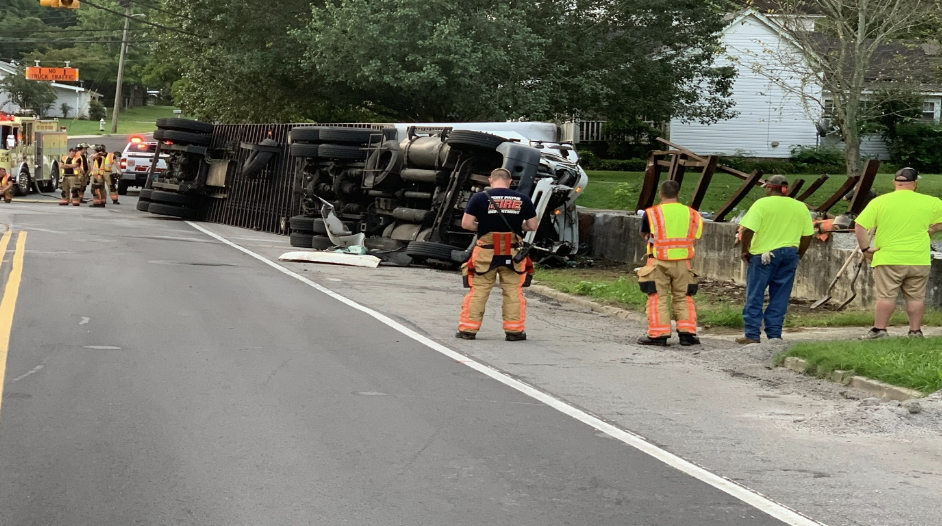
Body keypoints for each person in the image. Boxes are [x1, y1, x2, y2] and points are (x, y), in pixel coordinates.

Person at [854, 167, 942, 339]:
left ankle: (880, 330)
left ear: (895, 182)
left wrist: (865, 249)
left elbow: (860, 226)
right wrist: (933, 229)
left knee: (886, 296)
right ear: (915, 184)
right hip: (918, 258)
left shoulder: (880, 202)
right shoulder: (931, 202)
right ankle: (915, 331)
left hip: (888, 258)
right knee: (916, 297)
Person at [457, 168, 537, 341]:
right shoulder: (523, 199)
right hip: (512, 251)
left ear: (490, 180)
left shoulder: (479, 198)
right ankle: (514, 331)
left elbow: (466, 224)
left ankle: (468, 330)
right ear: (509, 182)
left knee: (478, 290)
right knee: (513, 292)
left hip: (486, 252)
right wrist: (516, 227)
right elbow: (532, 226)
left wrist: (484, 227)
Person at [737, 175, 813, 344]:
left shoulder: (761, 204)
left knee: (755, 294)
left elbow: (747, 230)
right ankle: (774, 336)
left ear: (770, 187)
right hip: (790, 254)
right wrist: (799, 254)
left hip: (763, 256)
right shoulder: (800, 206)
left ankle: (752, 335)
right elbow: (808, 235)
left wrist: (745, 251)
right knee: (780, 296)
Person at [636, 180, 704, 346]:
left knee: (658, 298)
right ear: (678, 194)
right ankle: (687, 334)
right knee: (683, 297)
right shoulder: (693, 214)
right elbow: (697, 235)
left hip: (658, 262)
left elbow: (644, 232)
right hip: (683, 263)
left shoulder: (652, 213)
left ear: (661, 194)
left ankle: (659, 335)